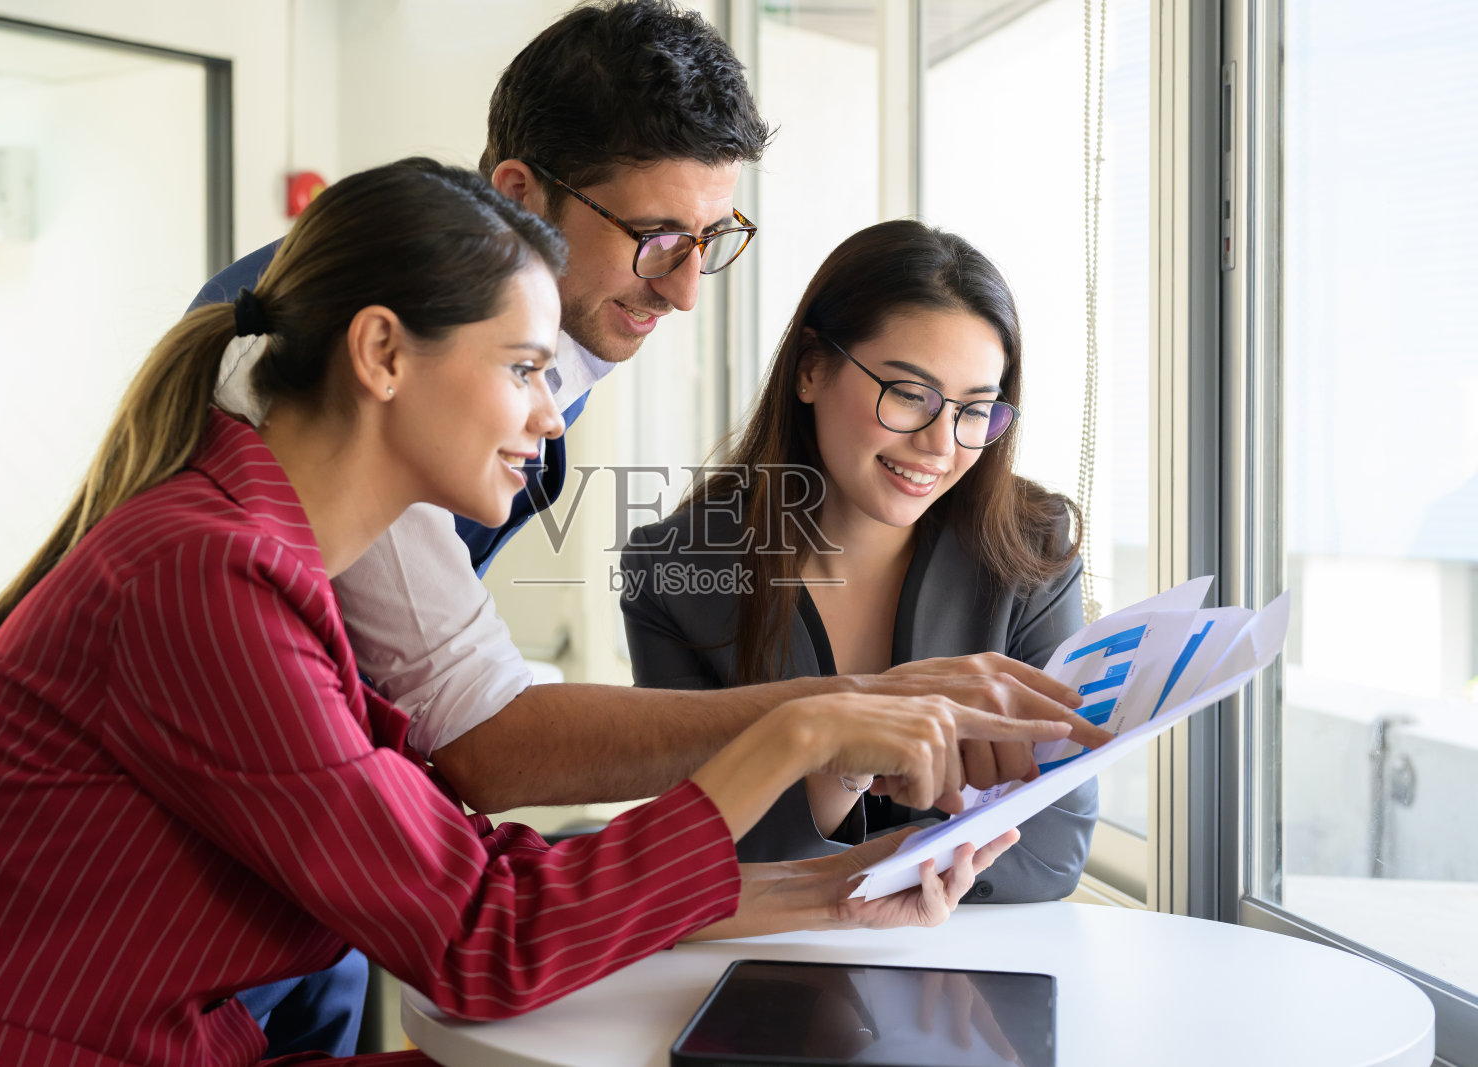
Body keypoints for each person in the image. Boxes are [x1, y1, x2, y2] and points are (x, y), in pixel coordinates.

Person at [0, 160, 1072, 1067]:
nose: (551, 419)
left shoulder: (256, 562)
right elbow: (482, 938)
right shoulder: (202, 577)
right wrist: (806, 724)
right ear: (384, 354)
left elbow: (475, 874)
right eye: (522, 368)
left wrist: (833, 885)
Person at [196, 1, 1106, 1052]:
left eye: (710, 240)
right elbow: (476, 746)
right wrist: (827, 717)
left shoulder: (532, 339)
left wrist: (834, 870)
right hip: (200, 913)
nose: (683, 289)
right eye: (655, 238)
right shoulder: (334, 400)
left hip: (321, 867)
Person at [619, 221, 1102, 901]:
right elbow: (705, 858)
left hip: (969, 980)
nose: (941, 444)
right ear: (812, 368)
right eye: (909, 393)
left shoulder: (1031, 552)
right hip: (759, 973)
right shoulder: (677, 574)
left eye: (976, 410)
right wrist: (842, 756)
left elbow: (1054, 852)